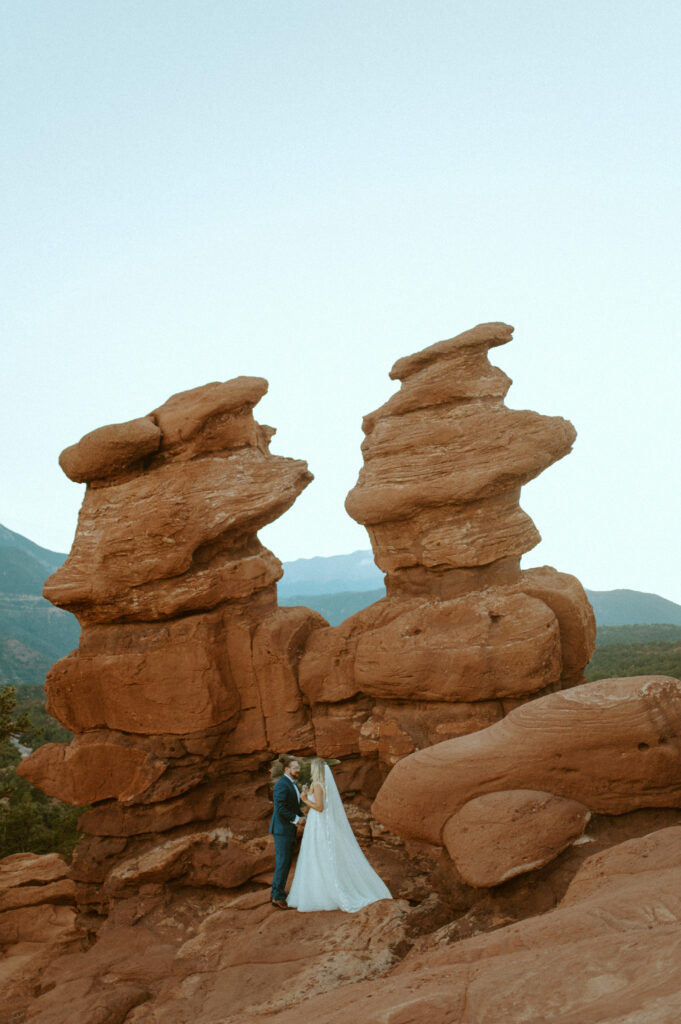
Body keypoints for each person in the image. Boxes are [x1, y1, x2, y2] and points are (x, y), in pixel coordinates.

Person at [286, 758, 392, 912]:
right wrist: (308, 794)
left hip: (318, 822)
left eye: (311, 768)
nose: (309, 771)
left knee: (318, 854)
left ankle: (324, 892)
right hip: (317, 822)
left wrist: (304, 800)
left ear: (316, 770)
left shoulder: (317, 784)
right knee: (318, 854)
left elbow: (320, 807)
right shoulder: (320, 785)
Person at [269, 755, 306, 909]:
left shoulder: (293, 785)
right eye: (295, 768)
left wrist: (303, 816)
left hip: (288, 829)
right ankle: (277, 896)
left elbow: (294, 807)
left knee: (285, 862)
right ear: (287, 770)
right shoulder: (281, 785)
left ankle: (277, 893)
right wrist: (297, 819)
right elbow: (281, 808)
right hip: (282, 830)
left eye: (299, 768)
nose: (298, 770)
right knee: (283, 863)